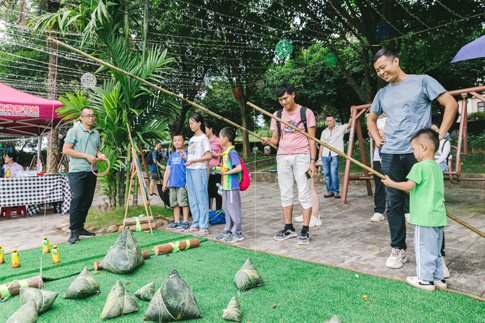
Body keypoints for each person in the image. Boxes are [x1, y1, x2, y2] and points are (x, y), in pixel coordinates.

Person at [367, 47, 458, 269]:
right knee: (395, 203)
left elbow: (451, 104)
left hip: (418, 153)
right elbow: (371, 119)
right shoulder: (382, 94)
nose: (381, 72)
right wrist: (377, 138)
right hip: (390, 154)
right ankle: (398, 249)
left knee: (430, 202)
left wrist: (438, 136)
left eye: (383, 67)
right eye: (377, 70)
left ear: (396, 61)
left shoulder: (422, 82)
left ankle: (438, 256)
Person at [382, 129, 447, 291]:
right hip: (438, 218)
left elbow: (409, 186)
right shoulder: (437, 168)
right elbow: (439, 191)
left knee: (424, 249)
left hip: (424, 218)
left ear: (423, 147)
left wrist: (392, 184)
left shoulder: (419, 167)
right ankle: (439, 279)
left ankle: (425, 280)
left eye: (413, 149)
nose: (413, 152)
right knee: (436, 251)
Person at [261, 83, 317, 245]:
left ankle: (305, 229)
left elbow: (312, 140)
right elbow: (275, 140)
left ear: (293, 95)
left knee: (304, 192)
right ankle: (289, 228)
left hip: (303, 156)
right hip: (283, 157)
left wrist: (312, 162)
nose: (283, 102)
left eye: (285, 98)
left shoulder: (306, 113)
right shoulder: (277, 115)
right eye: (280, 100)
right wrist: (268, 140)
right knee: (285, 192)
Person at [63, 107, 106, 244]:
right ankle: (74, 231)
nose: (91, 118)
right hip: (77, 171)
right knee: (78, 198)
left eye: (93, 115)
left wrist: (100, 155)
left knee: (87, 200)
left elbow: (97, 150)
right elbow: (66, 150)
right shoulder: (73, 131)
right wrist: (87, 156)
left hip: (92, 170)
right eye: (88, 116)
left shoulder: (95, 133)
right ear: (81, 117)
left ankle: (81, 228)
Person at [182, 112, 212, 237]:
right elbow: (193, 155)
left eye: (192, 123)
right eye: (189, 124)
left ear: (199, 123)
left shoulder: (204, 138)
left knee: (202, 198)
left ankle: (204, 227)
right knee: (193, 198)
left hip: (200, 170)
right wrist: (187, 157)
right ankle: (195, 224)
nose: (191, 126)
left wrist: (193, 160)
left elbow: (208, 155)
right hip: (190, 170)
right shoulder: (192, 139)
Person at [215, 127, 244, 243]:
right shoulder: (226, 153)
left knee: (234, 210)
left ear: (226, 139)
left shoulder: (232, 152)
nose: (219, 140)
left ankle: (237, 233)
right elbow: (229, 167)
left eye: (220, 137)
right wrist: (222, 169)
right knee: (227, 209)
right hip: (226, 186)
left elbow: (239, 168)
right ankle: (228, 231)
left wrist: (225, 172)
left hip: (232, 187)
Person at [319, 114, 352, 198]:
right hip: (325, 154)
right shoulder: (324, 132)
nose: (329, 122)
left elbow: (349, 125)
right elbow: (322, 144)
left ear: (334, 121)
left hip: (334, 154)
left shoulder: (340, 128)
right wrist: (319, 156)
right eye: (328, 121)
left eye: (331, 121)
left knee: (334, 171)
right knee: (326, 173)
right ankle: (329, 191)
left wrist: (351, 115)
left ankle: (336, 191)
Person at [164, 134, 190, 231]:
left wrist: (188, 182)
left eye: (179, 140)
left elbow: (190, 168)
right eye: (175, 140)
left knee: (183, 202)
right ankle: (176, 221)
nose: (177, 142)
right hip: (172, 183)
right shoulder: (171, 156)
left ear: (184, 142)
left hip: (182, 183)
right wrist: (165, 183)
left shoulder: (187, 154)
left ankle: (185, 221)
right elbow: (168, 170)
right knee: (174, 203)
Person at [205, 120, 223, 210]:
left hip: (217, 169)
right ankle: (209, 212)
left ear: (210, 129)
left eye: (205, 129)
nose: (204, 132)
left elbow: (226, 153)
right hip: (206, 168)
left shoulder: (218, 140)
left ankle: (219, 212)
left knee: (218, 192)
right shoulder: (204, 141)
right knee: (208, 192)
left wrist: (217, 155)